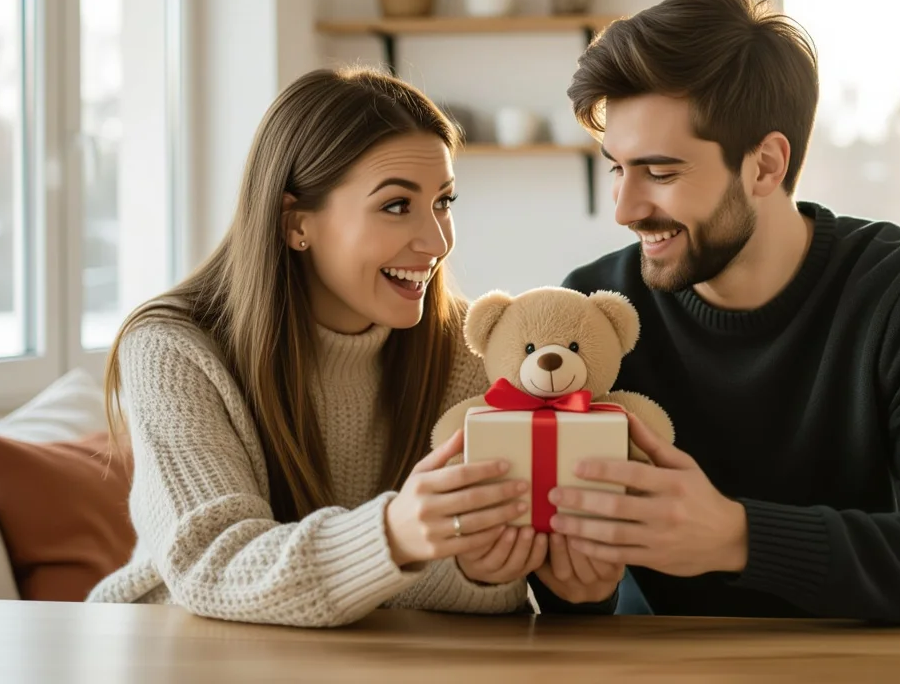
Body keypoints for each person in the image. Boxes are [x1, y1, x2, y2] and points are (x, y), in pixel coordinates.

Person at [531, 0, 900, 624]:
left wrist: (737, 536)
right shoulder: (595, 311)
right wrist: (574, 590)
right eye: (616, 168)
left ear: (765, 166)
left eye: (660, 173)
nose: (625, 209)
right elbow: (571, 594)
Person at [89, 68, 562, 627]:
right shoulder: (173, 349)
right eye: (395, 206)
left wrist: (478, 572)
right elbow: (213, 566)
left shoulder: (467, 346)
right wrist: (395, 535)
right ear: (296, 223)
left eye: (443, 201)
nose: (437, 242)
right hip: (168, 647)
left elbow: (445, 580)